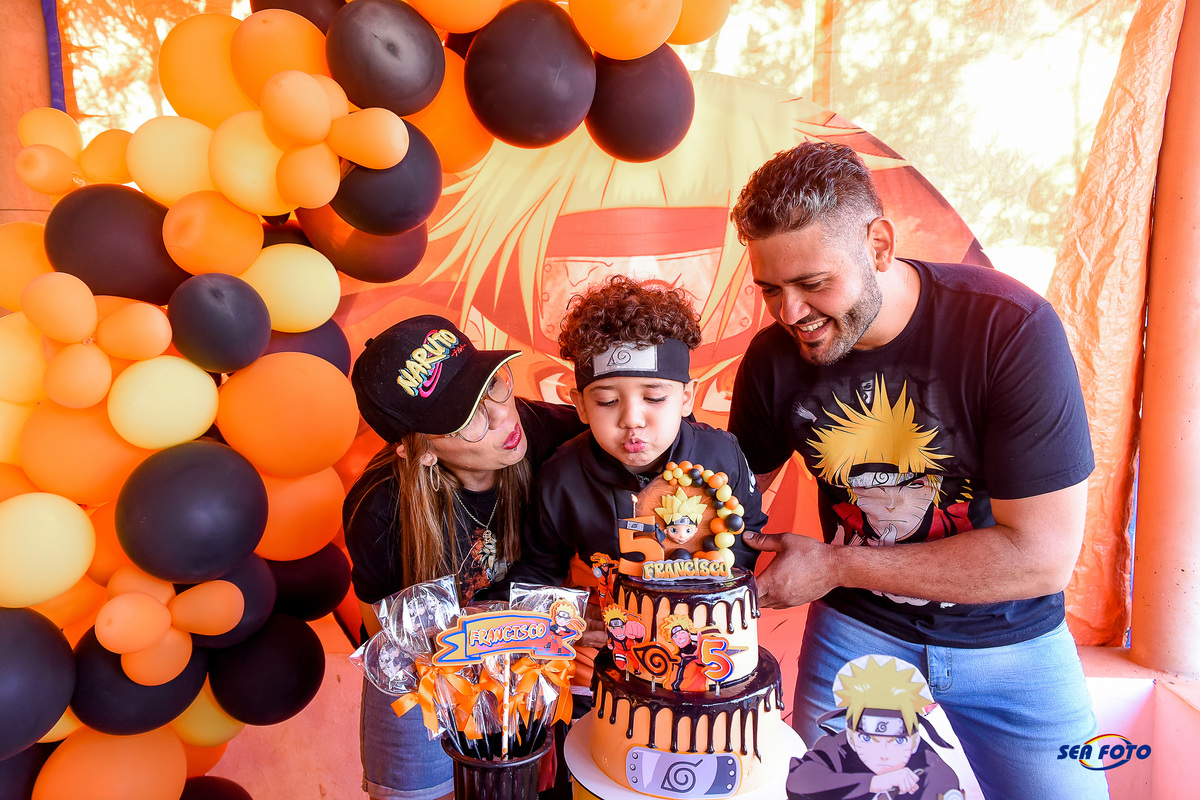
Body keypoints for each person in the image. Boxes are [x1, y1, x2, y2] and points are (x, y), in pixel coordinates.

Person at [727, 142, 1108, 799]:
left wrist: (835, 565)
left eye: (813, 284)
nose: (790, 313)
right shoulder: (772, 358)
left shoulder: (1010, 329)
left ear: (878, 246)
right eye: (770, 290)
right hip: (858, 634)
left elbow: (1041, 560)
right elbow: (731, 507)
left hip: (1016, 647)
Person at [344, 314, 584, 800]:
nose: (502, 416)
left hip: (537, 655)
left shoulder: (549, 431)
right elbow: (389, 640)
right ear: (420, 451)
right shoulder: (380, 508)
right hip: (427, 666)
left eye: (491, 384)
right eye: (467, 415)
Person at [507, 275, 765, 687]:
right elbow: (538, 572)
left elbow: (749, 536)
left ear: (687, 397)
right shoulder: (560, 477)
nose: (632, 419)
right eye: (607, 401)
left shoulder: (722, 456)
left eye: (655, 397)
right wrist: (558, 617)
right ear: (580, 406)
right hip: (601, 664)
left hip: (709, 655)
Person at [786, 655, 962, 800]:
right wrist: (873, 783)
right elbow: (798, 780)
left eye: (898, 741)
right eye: (868, 738)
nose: (884, 754)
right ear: (851, 737)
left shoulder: (932, 769)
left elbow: (945, 786)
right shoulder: (837, 749)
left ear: (914, 741)